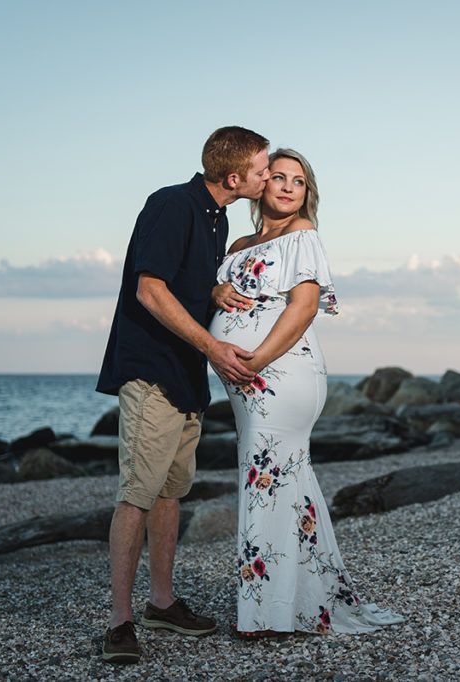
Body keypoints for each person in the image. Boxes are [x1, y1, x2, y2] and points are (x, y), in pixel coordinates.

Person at [209, 148, 405, 636]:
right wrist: (215, 294)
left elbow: (303, 308)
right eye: (278, 177)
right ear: (260, 185)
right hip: (245, 383)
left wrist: (257, 359)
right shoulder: (238, 244)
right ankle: (304, 602)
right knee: (285, 483)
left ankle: (267, 617)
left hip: (281, 373)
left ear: (306, 193)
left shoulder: (303, 237)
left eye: (298, 181)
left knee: (266, 480)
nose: (287, 187)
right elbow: (217, 290)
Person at [95, 126, 270, 664]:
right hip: (151, 373)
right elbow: (150, 289)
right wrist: (214, 348)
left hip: (186, 374)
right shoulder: (173, 204)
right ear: (233, 176)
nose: (268, 177)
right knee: (136, 496)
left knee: (170, 494)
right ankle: (120, 623)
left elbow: (184, 282)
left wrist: (214, 290)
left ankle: (162, 603)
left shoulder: (215, 215)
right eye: (263, 170)